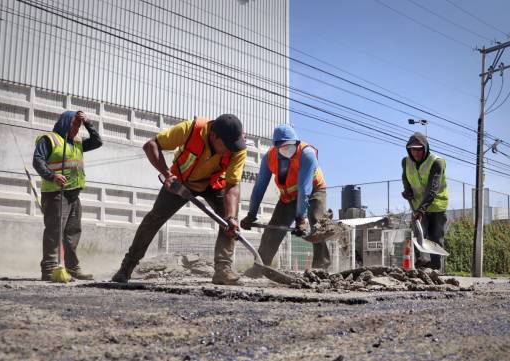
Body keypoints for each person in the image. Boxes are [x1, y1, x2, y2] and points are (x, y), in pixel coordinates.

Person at [111, 115, 247, 285]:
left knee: (229, 222)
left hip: (214, 183)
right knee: (154, 218)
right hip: (181, 181)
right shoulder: (190, 130)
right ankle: (126, 268)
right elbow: (151, 145)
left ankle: (223, 270)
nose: (231, 150)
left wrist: (231, 217)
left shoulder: (237, 147)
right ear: (214, 136)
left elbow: (233, 185)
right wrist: (167, 175)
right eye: (227, 146)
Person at [240, 124, 329, 276]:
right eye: (284, 147)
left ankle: (321, 268)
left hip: (314, 190)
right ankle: (260, 267)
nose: (289, 149)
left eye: (292, 145)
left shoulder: (306, 154)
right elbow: (259, 187)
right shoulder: (270, 157)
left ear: (296, 142)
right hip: (288, 196)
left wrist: (300, 219)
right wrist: (251, 214)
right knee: (272, 230)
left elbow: (304, 188)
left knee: (317, 224)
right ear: (276, 147)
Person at [33, 110, 103, 280]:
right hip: (55, 194)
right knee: (54, 232)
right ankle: (49, 270)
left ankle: (72, 268)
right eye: (74, 124)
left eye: (79, 126)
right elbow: (37, 160)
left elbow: (98, 141)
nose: (76, 129)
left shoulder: (77, 142)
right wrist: (52, 176)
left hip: (73, 194)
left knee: (72, 233)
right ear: (65, 123)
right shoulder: (49, 139)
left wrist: (87, 122)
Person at [401, 132, 448, 270]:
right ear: (409, 149)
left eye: (419, 149)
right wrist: (407, 189)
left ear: (425, 148)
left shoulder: (437, 162)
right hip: (417, 205)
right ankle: (421, 267)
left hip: (437, 206)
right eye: (413, 149)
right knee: (419, 236)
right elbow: (405, 177)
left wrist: (422, 209)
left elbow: (432, 188)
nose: (416, 152)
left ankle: (435, 269)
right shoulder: (406, 161)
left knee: (436, 238)